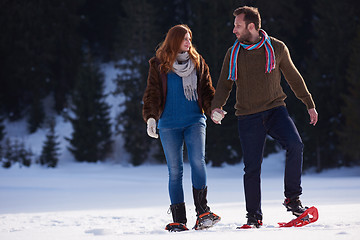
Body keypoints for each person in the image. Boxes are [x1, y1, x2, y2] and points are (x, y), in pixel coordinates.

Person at [211, 6, 318, 228]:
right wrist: (216, 107)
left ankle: (292, 198)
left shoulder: (276, 48)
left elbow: (293, 78)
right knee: (252, 168)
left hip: (275, 110)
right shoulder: (233, 54)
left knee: (295, 145)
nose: (234, 30)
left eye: (238, 25)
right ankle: (254, 216)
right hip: (247, 116)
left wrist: (309, 104)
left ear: (252, 26)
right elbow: (223, 84)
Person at [142, 24, 220, 232]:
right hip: (168, 124)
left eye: (190, 38)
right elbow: (152, 93)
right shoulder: (159, 64)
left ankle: (203, 212)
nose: (188, 42)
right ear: (174, 40)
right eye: (185, 38)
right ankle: (179, 220)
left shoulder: (198, 62)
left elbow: (207, 91)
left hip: (195, 120)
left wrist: (213, 110)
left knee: (198, 161)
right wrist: (150, 117)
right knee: (175, 171)